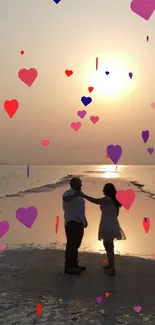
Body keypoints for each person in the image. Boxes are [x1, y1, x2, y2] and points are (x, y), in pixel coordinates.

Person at [80, 183, 123, 276]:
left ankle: (112, 268)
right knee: (108, 244)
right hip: (113, 223)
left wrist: (83, 195)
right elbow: (116, 214)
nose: (102, 191)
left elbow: (95, 201)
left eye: (104, 189)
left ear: (107, 191)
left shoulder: (107, 199)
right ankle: (110, 265)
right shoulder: (115, 201)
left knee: (109, 246)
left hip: (107, 224)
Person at [62, 177, 88, 275]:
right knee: (71, 245)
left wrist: (84, 220)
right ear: (73, 184)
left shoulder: (80, 196)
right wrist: (74, 195)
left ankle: (74, 264)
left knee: (76, 244)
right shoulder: (68, 193)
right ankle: (69, 266)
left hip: (79, 222)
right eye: (79, 183)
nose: (81, 185)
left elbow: (80, 209)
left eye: (81, 183)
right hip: (72, 223)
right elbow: (66, 199)